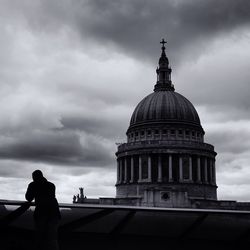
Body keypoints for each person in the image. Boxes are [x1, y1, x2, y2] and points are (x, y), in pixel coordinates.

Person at [25, 170, 61, 250]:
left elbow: (28, 198)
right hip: (54, 213)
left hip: (41, 213)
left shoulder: (33, 185)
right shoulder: (51, 185)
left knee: (39, 237)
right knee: (52, 238)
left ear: (34, 177)